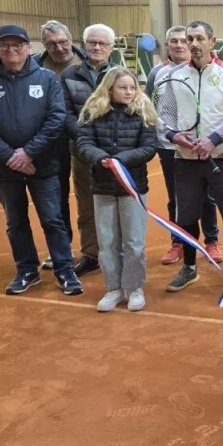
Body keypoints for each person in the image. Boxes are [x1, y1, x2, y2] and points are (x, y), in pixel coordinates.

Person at [0, 24, 83, 297]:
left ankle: (64, 269)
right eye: (4, 45)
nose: (11, 50)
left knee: (53, 219)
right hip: (4, 168)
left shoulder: (47, 79)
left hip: (43, 164)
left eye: (17, 45)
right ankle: (26, 270)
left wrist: (29, 152)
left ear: (29, 48)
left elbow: (56, 120)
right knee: (15, 221)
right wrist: (10, 156)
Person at [162, 21, 223, 296]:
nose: (193, 43)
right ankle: (189, 268)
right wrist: (173, 136)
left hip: (220, 160)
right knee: (186, 216)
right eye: (189, 38)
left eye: (199, 38)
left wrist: (213, 139)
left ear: (212, 41)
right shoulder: (173, 76)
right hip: (184, 160)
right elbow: (162, 116)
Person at [76, 68, 158, 313]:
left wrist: (120, 159)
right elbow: (83, 143)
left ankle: (133, 287)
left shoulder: (143, 113)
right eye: (123, 87)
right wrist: (101, 158)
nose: (130, 92)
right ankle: (113, 288)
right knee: (108, 242)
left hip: (133, 188)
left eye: (133, 87)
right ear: (110, 88)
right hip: (102, 188)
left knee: (133, 242)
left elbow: (149, 148)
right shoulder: (92, 113)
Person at [147, 26, 223, 267]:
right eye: (174, 41)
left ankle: (211, 240)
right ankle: (178, 242)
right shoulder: (157, 74)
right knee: (176, 198)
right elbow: (151, 109)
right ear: (167, 45)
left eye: (184, 40)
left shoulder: (205, 72)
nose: (180, 45)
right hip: (170, 148)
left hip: (201, 145)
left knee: (207, 197)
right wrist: (170, 134)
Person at [62, 23, 118, 278]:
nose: (97, 47)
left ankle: (116, 252)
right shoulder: (69, 75)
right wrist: (87, 144)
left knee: (116, 206)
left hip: (113, 156)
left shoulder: (121, 75)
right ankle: (91, 255)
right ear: (84, 45)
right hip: (82, 154)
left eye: (102, 43)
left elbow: (130, 112)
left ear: (111, 48)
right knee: (86, 206)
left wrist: (109, 147)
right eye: (92, 43)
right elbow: (64, 114)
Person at [34, 20, 85, 271]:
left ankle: (93, 252)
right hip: (49, 141)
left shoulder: (87, 62)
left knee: (89, 195)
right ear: (44, 45)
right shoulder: (34, 66)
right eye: (52, 43)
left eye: (63, 41)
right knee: (57, 195)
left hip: (83, 138)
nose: (59, 47)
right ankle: (61, 250)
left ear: (71, 38)